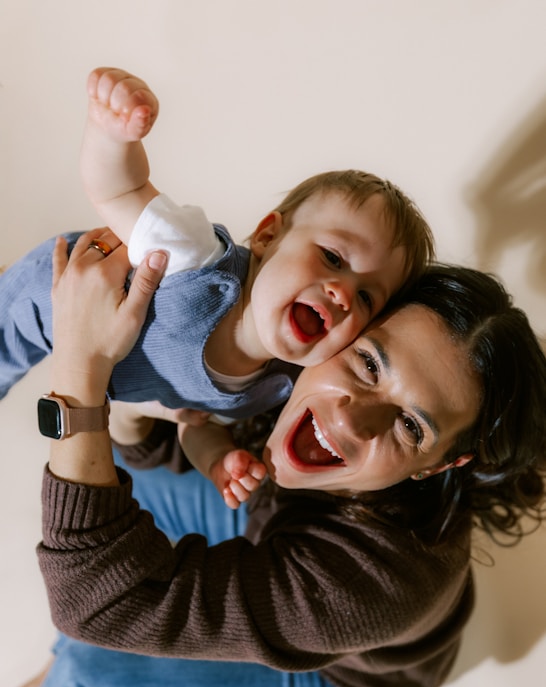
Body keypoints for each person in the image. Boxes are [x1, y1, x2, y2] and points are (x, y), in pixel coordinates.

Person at [1, 233, 545, 687]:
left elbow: (95, 606)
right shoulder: (296, 355)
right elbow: (160, 448)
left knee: (90, 668)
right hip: (275, 531)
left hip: (341, 670)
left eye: (410, 426)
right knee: (109, 483)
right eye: (369, 364)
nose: (351, 420)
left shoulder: (372, 585)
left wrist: (79, 368)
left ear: (438, 465)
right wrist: (135, 412)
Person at [0, 67, 434, 504]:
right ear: (267, 236)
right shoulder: (198, 258)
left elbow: (194, 423)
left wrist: (217, 461)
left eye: (366, 297)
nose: (342, 293)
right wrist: (112, 133)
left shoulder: (274, 386)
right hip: (46, 298)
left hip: (87, 365)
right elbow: (119, 191)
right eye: (333, 258)